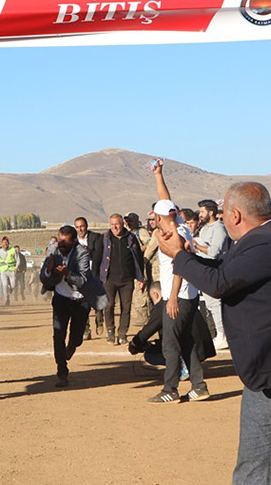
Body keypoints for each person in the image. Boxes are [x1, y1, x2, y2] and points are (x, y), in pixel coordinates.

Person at [157, 181, 271, 484]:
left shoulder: (268, 242)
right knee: (252, 465)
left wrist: (179, 257)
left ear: (234, 215)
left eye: (222, 213)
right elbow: (221, 271)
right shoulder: (255, 241)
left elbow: (219, 283)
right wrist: (184, 253)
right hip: (266, 371)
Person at [148, 159, 207, 403]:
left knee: (170, 345)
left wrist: (171, 298)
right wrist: (158, 175)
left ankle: (170, 389)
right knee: (185, 342)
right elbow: (165, 199)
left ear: (160, 217)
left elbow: (178, 268)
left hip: (179, 296)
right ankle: (199, 386)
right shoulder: (179, 224)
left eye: (154, 217)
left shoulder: (175, 236)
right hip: (189, 296)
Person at [39, 225, 102, 387]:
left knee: (77, 337)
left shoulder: (82, 254)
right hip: (61, 299)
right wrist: (48, 270)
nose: (61, 244)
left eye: (65, 242)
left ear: (74, 241)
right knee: (58, 335)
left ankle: (73, 344)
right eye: (60, 240)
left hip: (80, 300)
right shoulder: (53, 251)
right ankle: (62, 372)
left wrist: (67, 273)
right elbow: (43, 277)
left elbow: (83, 280)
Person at [98, 214, 145, 346]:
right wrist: (97, 277)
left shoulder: (131, 238)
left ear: (122, 224)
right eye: (112, 224)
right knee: (109, 305)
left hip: (127, 279)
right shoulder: (105, 238)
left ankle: (122, 334)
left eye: (117, 224)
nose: (115, 227)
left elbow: (138, 259)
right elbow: (97, 258)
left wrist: (140, 277)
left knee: (126, 307)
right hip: (109, 279)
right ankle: (110, 331)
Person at [195, 199, 230, 350]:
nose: (200, 215)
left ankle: (223, 335)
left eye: (202, 211)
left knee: (216, 304)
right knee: (209, 304)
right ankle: (219, 334)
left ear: (211, 212)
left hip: (216, 270)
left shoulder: (219, 229)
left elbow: (214, 251)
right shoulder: (204, 229)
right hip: (204, 270)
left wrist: (196, 246)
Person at [74, 217, 105, 337]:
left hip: (94, 274)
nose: (80, 229)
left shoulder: (96, 237)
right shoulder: (73, 240)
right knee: (83, 303)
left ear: (86, 226)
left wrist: (87, 252)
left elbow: (99, 255)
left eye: (81, 226)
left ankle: (99, 321)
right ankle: (86, 330)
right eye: (77, 227)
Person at [0, 236, 17, 306]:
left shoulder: (13, 250)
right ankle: (6, 299)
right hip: (3, 271)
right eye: (4, 242)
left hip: (11, 270)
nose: (5, 244)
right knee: (4, 285)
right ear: (1, 243)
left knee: (13, 285)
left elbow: (18, 259)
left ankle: (11, 288)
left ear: (8, 243)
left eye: (6, 242)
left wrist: (16, 267)